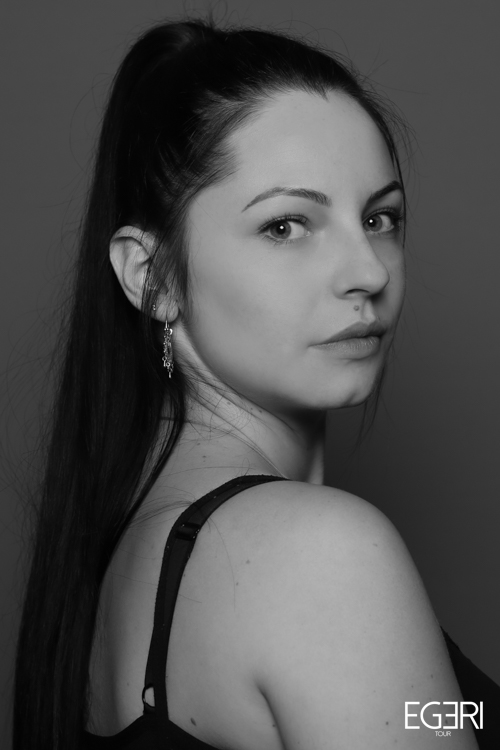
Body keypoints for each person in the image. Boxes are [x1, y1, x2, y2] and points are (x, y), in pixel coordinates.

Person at [13, 17, 499, 750]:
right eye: (285, 226)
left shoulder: (124, 547)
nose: (368, 271)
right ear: (152, 277)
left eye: (379, 217)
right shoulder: (319, 554)